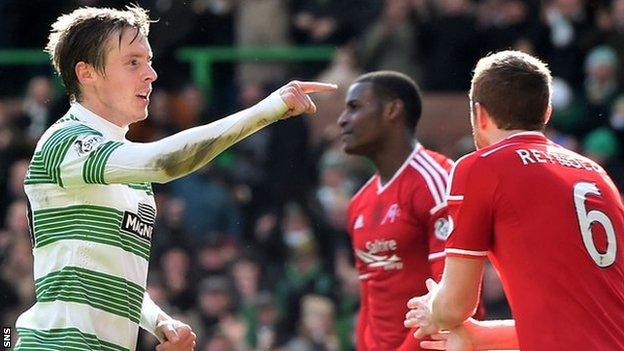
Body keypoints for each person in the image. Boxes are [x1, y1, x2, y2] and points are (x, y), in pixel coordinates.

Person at [14, 5, 336, 351]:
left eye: (149, 61)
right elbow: (166, 161)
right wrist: (268, 109)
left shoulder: (127, 168)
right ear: (87, 73)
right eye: (133, 62)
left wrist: (158, 321)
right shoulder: (66, 141)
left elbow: (108, 275)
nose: (151, 74)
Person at [404, 50, 624, 350]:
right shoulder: (596, 174)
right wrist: (481, 337)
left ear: (479, 114)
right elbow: (590, 320)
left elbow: (455, 307)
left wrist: (435, 307)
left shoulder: (481, 167)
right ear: (546, 112)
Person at [337, 71, 453, 350]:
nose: (342, 119)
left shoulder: (437, 180)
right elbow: (370, 301)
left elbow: (451, 294)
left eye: (354, 107)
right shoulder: (359, 203)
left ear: (392, 109)